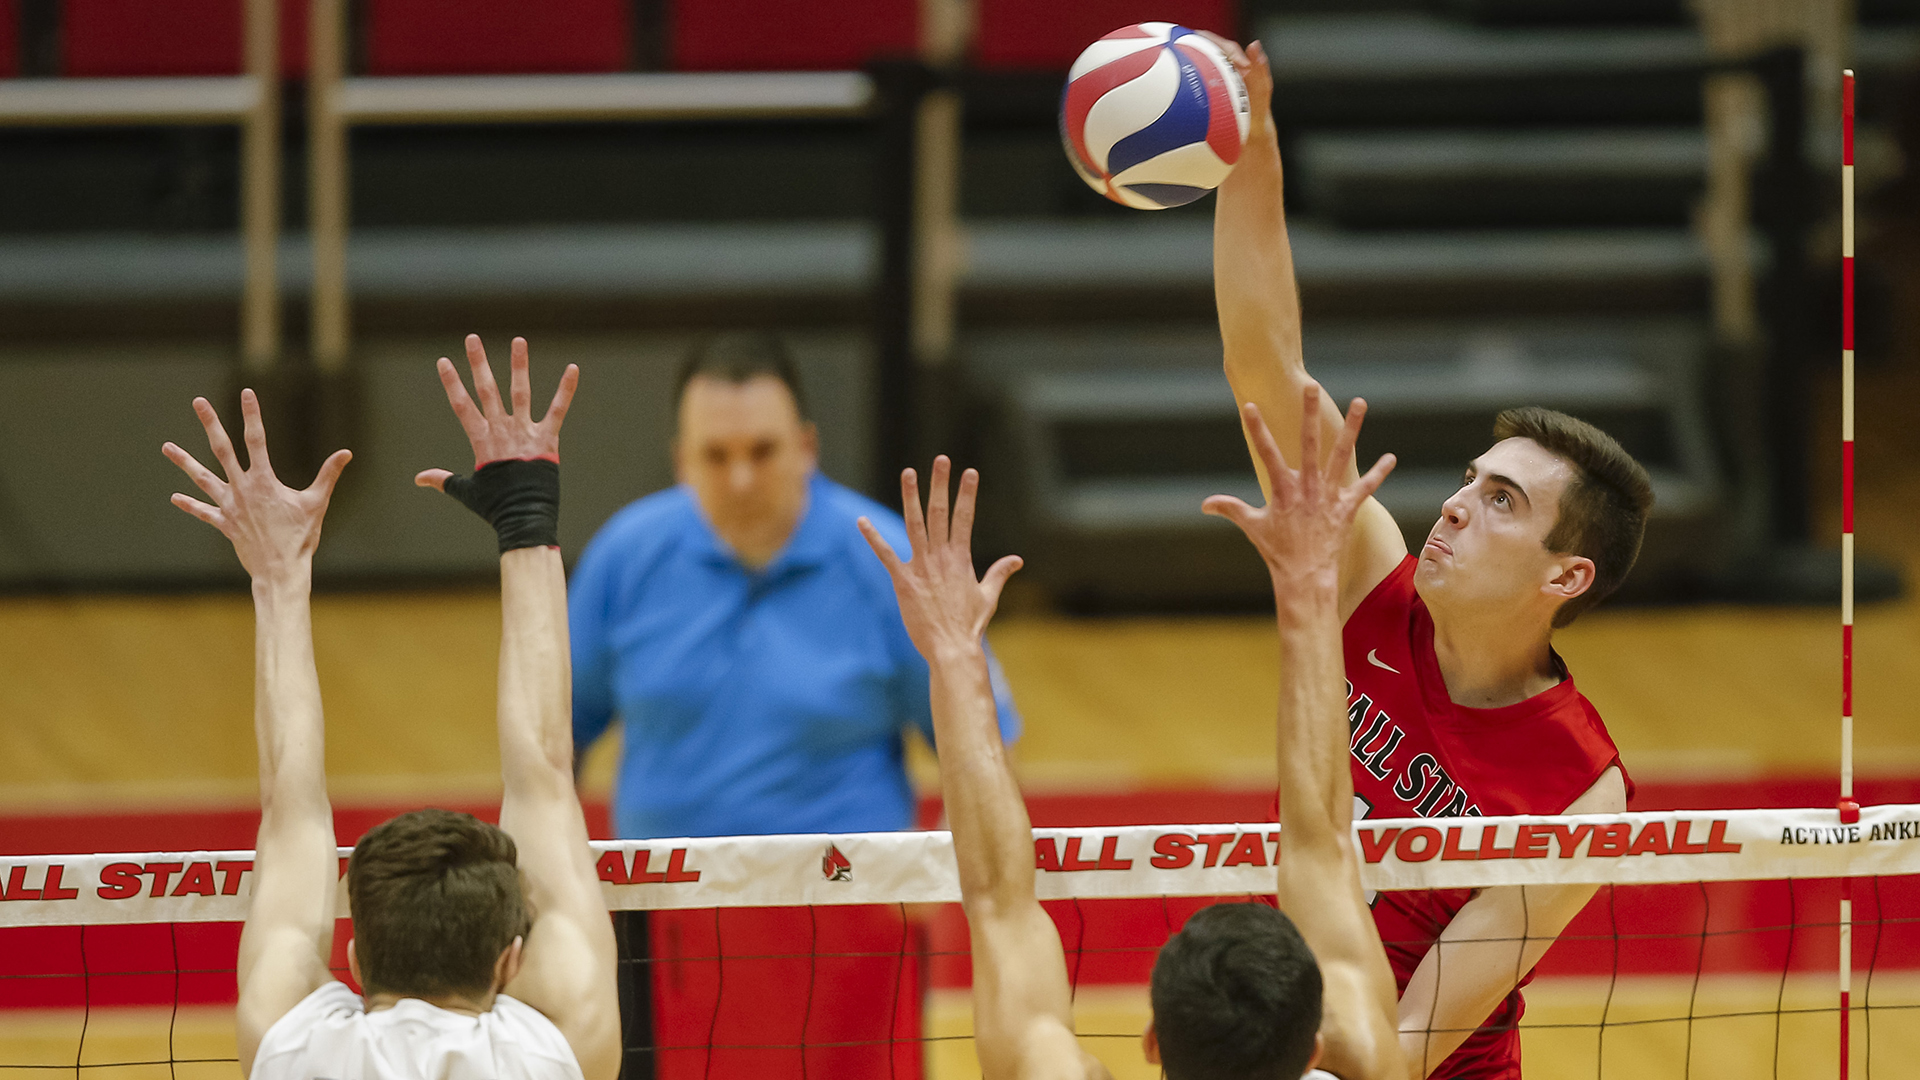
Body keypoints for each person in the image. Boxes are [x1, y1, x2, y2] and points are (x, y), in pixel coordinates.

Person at [1210, 37, 1648, 1077]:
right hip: (1278, 1036)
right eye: (1468, 480)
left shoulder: (1583, 791)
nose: (1453, 506)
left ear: (1565, 575)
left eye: (1501, 502)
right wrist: (1250, 154)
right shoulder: (1372, 578)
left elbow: (1409, 1047)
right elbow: (1265, 366)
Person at [857, 392, 1405, 1080]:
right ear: (1317, 1047)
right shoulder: (1368, 1061)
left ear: (1151, 1040)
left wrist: (954, 655)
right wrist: (1311, 586)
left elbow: (999, 899)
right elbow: (1321, 841)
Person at [163, 335, 619, 1080]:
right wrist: (526, 519)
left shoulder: (293, 1049)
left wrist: (278, 575)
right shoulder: (559, 1047)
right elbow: (544, 769)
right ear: (510, 961)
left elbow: (289, 810)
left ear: (354, 958)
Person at [566, 331, 1017, 1077]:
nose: (741, 478)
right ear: (680, 459)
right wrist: (559, 890)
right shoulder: (625, 557)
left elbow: (984, 741)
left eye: (763, 450)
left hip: (848, 922)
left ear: (807, 446)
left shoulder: (888, 564)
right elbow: (557, 739)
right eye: (716, 456)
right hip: (658, 926)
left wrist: (946, 876)